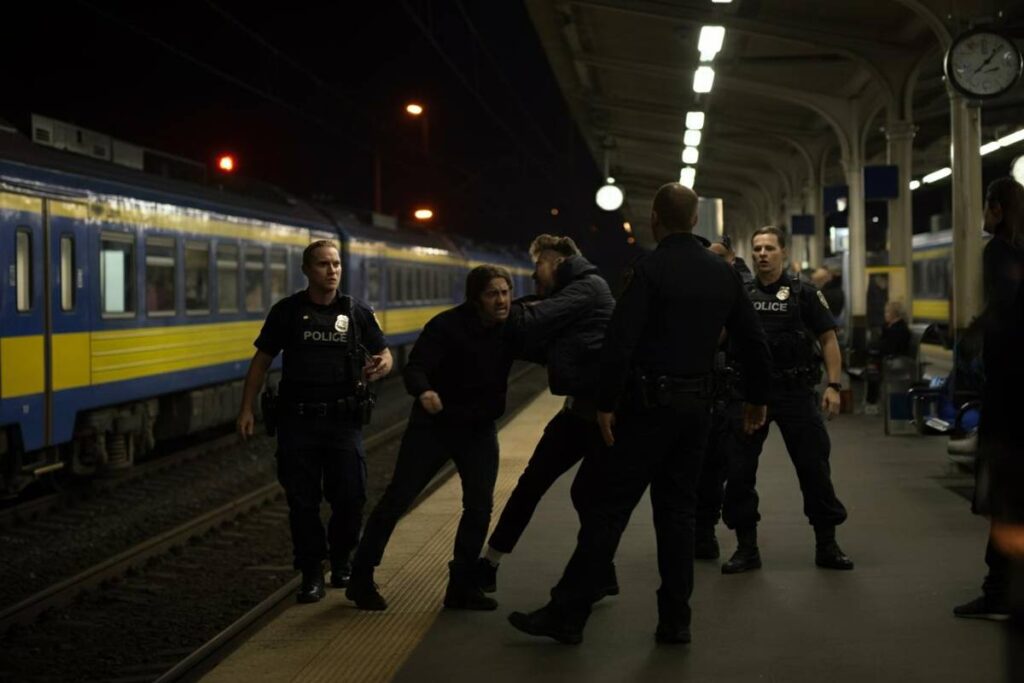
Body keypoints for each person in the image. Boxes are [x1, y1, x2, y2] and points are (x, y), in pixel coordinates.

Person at [508, 183, 772, 645]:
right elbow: (753, 338)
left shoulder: (648, 270)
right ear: (694, 221)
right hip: (698, 413)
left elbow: (620, 343)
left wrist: (606, 403)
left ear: (654, 219)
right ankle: (675, 621)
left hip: (647, 411)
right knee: (677, 515)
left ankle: (567, 615)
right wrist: (757, 397)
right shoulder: (722, 274)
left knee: (608, 508)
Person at [346, 265, 518, 612]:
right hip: (434, 427)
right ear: (475, 298)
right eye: (492, 294)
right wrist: (423, 392)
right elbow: (415, 367)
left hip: (479, 430)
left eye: (505, 292)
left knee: (479, 506)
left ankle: (460, 587)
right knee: (399, 498)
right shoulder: (445, 326)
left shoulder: (511, 327)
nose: (501, 300)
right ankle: (361, 577)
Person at [236, 240, 392, 603]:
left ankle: (341, 562)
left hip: (343, 423)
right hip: (298, 422)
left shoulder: (356, 312)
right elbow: (261, 361)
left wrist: (383, 364)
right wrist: (247, 408)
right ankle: (310, 573)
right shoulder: (287, 312)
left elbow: (383, 352)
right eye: (323, 264)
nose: (332, 270)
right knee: (302, 502)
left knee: (350, 497)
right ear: (307, 270)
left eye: (336, 264)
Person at [478, 234, 616, 595]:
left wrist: (495, 306)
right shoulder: (573, 292)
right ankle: (489, 562)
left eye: (538, 264)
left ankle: (598, 575)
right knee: (533, 484)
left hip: (602, 417)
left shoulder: (588, 288)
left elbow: (532, 320)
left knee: (586, 495)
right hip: (578, 411)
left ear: (556, 261)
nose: (534, 274)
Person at [718, 226, 853, 575]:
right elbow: (719, 337)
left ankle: (827, 544)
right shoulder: (738, 293)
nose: (762, 254)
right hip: (749, 396)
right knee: (740, 471)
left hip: (795, 393)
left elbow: (827, 339)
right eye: (757, 248)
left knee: (814, 468)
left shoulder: (803, 293)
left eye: (769, 248)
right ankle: (746, 548)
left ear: (783, 252)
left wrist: (834, 385)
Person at [955, 176, 1024, 622]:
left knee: (1005, 495)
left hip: (1010, 397)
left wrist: (975, 334)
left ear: (996, 209)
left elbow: (1005, 311)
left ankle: (1001, 591)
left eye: (986, 206)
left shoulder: (998, 251)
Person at [865, 300, 912, 411]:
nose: (885, 315)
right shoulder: (891, 327)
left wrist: (873, 348)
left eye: (887, 312)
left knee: (873, 369)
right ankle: (871, 402)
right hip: (889, 357)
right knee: (872, 366)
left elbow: (888, 347)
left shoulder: (899, 329)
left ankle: (871, 402)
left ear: (894, 314)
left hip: (897, 360)